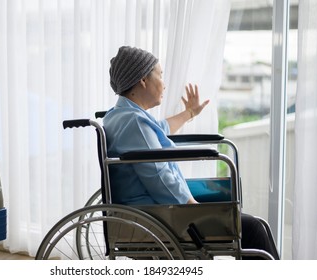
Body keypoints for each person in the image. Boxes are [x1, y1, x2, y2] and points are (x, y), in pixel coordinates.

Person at [103, 46, 279, 260]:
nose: (164, 84)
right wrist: (193, 208)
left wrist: (190, 113)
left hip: (150, 208)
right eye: (160, 75)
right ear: (142, 80)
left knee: (255, 225)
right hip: (155, 215)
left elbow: (160, 130)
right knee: (254, 229)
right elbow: (159, 178)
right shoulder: (134, 122)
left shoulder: (122, 116)